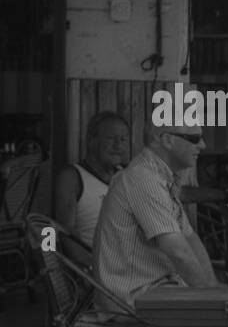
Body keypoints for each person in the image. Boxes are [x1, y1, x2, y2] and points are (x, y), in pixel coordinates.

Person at [92, 124, 218, 311]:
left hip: (156, 291)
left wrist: (212, 287)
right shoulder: (143, 179)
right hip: (132, 299)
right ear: (167, 140)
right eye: (194, 139)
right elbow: (178, 252)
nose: (203, 145)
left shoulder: (161, 179)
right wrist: (210, 300)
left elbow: (190, 239)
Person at [53, 111, 130, 260]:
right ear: (92, 140)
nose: (118, 145)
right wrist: (90, 270)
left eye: (123, 139)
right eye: (111, 138)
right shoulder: (72, 177)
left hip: (137, 268)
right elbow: (66, 234)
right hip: (102, 272)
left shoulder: (128, 175)